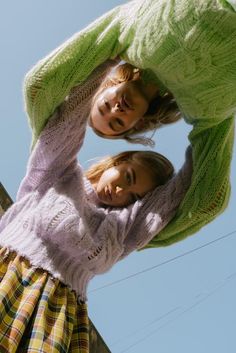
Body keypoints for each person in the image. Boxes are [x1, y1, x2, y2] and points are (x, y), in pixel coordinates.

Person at [0, 62, 192, 351]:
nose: (120, 191)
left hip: (57, 311)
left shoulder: (123, 231)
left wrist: (207, 124)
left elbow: (176, 195)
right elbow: (70, 118)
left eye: (134, 197)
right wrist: (110, 60)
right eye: (127, 177)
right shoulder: (61, 173)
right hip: (9, 270)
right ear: (117, 162)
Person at [24, 0, 236, 248]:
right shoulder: (207, 115)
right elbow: (207, 202)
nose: (116, 110)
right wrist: (128, 239)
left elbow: (40, 85)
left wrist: (45, 152)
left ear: (107, 86)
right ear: (135, 124)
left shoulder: (128, 34)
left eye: (104, 106)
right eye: (117, 123)